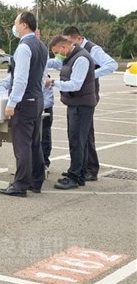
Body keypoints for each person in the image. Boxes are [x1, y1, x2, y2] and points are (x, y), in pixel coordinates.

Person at [56, 26, 117, 183]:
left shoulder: (92, 50)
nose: (67, 45)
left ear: (77, 38)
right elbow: (59, 63)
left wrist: (88, 74)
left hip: (86, 94)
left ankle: (90, 168)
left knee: (85, 134)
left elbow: (112, 64)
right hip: (78, 95)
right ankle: (80, 168)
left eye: (68, 42)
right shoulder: (72, 53)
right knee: (82, 133)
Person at [0, 12, 49, 197]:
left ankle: (20, 185)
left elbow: (20, 79)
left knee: (22, 145)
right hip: (37, 99)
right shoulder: (42, 46)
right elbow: (44, 76)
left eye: (16, 23)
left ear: (24, 25)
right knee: (34, 143)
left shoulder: (24, 47)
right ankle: (36, 181)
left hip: (25, 101)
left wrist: (12, 102)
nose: (15, 27)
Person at [45, 35, 97, 190]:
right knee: (80, 140)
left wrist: (53, 83)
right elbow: (56, 63)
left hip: (81, 105)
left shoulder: (81, 59)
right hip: (76, 103)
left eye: (56, 52)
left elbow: (75, 84)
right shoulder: (71, 57)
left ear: (64, 47)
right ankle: (79, 173)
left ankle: (74, 177)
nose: (57, 55)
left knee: (77, 141)